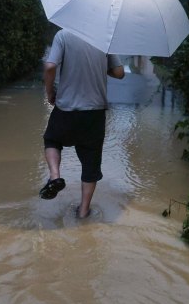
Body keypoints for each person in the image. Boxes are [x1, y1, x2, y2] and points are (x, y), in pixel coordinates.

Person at [39, 29, 125, 219]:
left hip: (66, 108)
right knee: (91, 164)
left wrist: (49, 92)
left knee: (52, 140)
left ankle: (55, 176)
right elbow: (119, 73)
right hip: (95, 114)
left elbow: (50, 66)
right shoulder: (105, 37)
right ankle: (83, 211)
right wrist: (100, 66)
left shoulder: (63, 35)